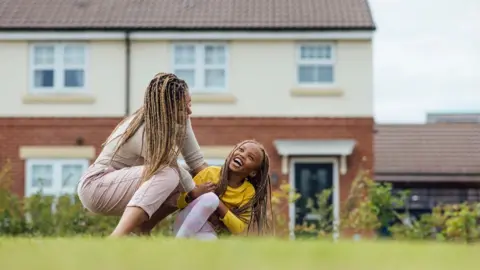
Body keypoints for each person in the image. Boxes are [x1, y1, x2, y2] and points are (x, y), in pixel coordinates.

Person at [77, 72, 214, 237]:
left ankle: (143, 228)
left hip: (126, 181)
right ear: (167, 108)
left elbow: (197, 163)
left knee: (184, 175)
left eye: (189, 103)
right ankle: (117, 237)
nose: (189, 111)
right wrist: (195, 193)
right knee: (169, 175)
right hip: (97, 188)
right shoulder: (144, 130)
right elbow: (175, 170)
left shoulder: (181, 118)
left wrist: (223, 181)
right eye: (182, 107)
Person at [172, 140, 273, 240]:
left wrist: (219, 205)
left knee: (212, 242)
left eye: (250, 157)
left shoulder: (248, 191)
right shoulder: (210, 173)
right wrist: (193, 194)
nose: (242, 155)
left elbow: (238, 228)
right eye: (241, 150)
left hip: (208, 232)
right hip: (183, 223)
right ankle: (179, 242)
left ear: (253, 173)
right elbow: (179, 204)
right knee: (210, 198)